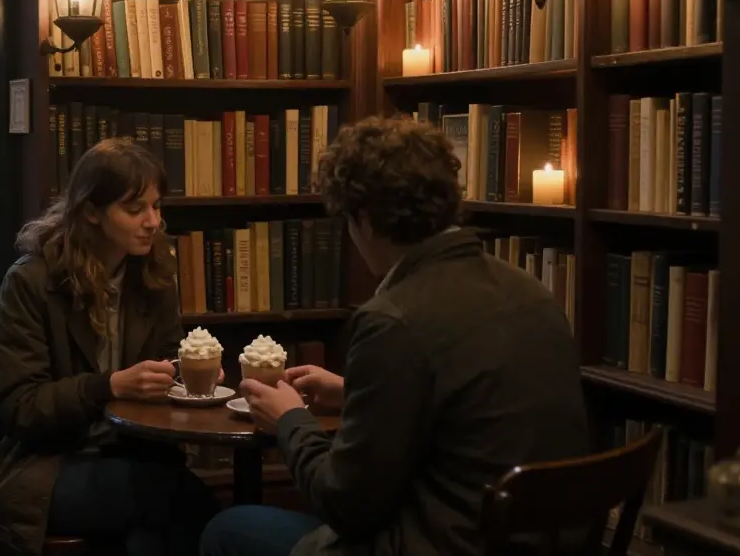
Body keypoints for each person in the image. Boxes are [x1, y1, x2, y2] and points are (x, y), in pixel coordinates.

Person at [200, 116, 589, 556]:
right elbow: (468, 413)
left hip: (448, 545)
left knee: (228, 530)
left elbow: (345, 504)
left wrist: (289, 420)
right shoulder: (531, 293)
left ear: (364, 220)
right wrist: (354, 394)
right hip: (545, 542)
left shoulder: (393, 320)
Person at [0, 138, 220, 556]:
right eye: (135, 209)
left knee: (154, 532)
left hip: (129, 451)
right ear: (91, 212)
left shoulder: (153, 271)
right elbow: (21, 408)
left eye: (157, 206)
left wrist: (188, 372)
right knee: (182, 502)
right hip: (36, 465)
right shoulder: (31, 281)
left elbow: (166, 355)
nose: (153, 222)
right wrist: (109, 386)